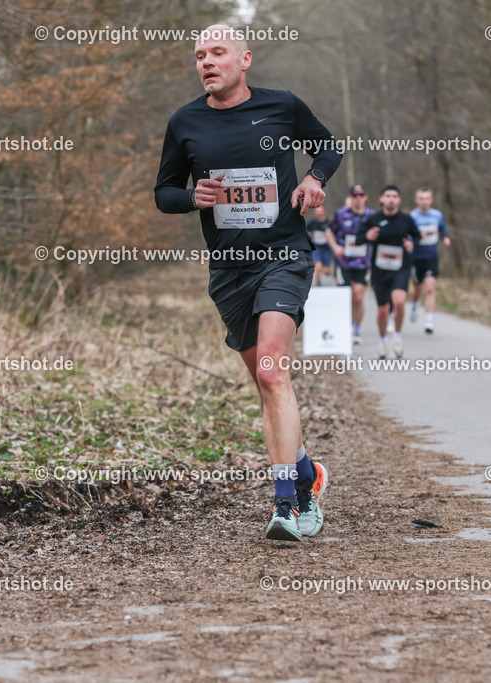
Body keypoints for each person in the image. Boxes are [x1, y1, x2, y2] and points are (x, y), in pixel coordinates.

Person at [154, 24, 339, 541]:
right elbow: (164, 192)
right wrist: (195, 198)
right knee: (262, 380)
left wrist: (313, 179)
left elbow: (328, 148)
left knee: (272, 371)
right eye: (199, 56)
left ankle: (288, 504)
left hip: (283, 254)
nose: (206, 62)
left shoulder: (282, 107)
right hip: (230, 268)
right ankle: (307, 473)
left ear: (245, 59)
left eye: (217, 53)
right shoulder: (185, 121)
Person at [363, 185, 420, 359]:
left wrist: (412, 244)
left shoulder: (406, 219)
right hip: (380, 270)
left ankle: (397, 337)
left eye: (395, 196)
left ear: (399, 200)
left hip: (400, 268)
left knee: (400, 302)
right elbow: (358, 237)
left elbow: (417, 236)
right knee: (382, 311)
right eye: (387, 196)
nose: (391, 199)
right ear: (381, 199)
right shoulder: (373, 219)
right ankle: (382, 341)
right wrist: (366, 237)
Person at [327, 184, 374, 344]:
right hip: (343, 262)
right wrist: (334, 246)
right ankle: (344, 327)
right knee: (345, 296)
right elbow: (328, 230)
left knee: (359, 297)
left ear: (365, 197)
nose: (358, 198)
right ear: (351, 197)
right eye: (355, 195)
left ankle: (356, 329)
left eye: (361, 195)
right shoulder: (341, 214)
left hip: (363, 262)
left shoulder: (371, 215)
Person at [409, 188, 450, 334]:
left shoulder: (437, 215)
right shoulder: (412, 217)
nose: (424, 201)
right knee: (417, 289)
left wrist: (445, 238)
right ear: (417, 200)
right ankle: (414, 304)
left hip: (431, 257)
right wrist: (418, 237)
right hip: (416, 258)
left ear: (431, 200)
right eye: (421, 198)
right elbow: (408, 236)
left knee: (430, 288)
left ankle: (429, 321)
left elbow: (443, 229)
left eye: (427, 198)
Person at [306, 206, 332, 285]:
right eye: (317, 212)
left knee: (325, 269)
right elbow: (308, 233)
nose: (319, 214)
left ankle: (331, 281)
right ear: (315, 213)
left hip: (327, 248)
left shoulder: (329, 223)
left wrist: (329, 237)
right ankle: (319, 283)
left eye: (320, 212)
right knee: (318, 266)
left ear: (324, 212)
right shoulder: (312, 223)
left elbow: (333, 234)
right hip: (317, 248)